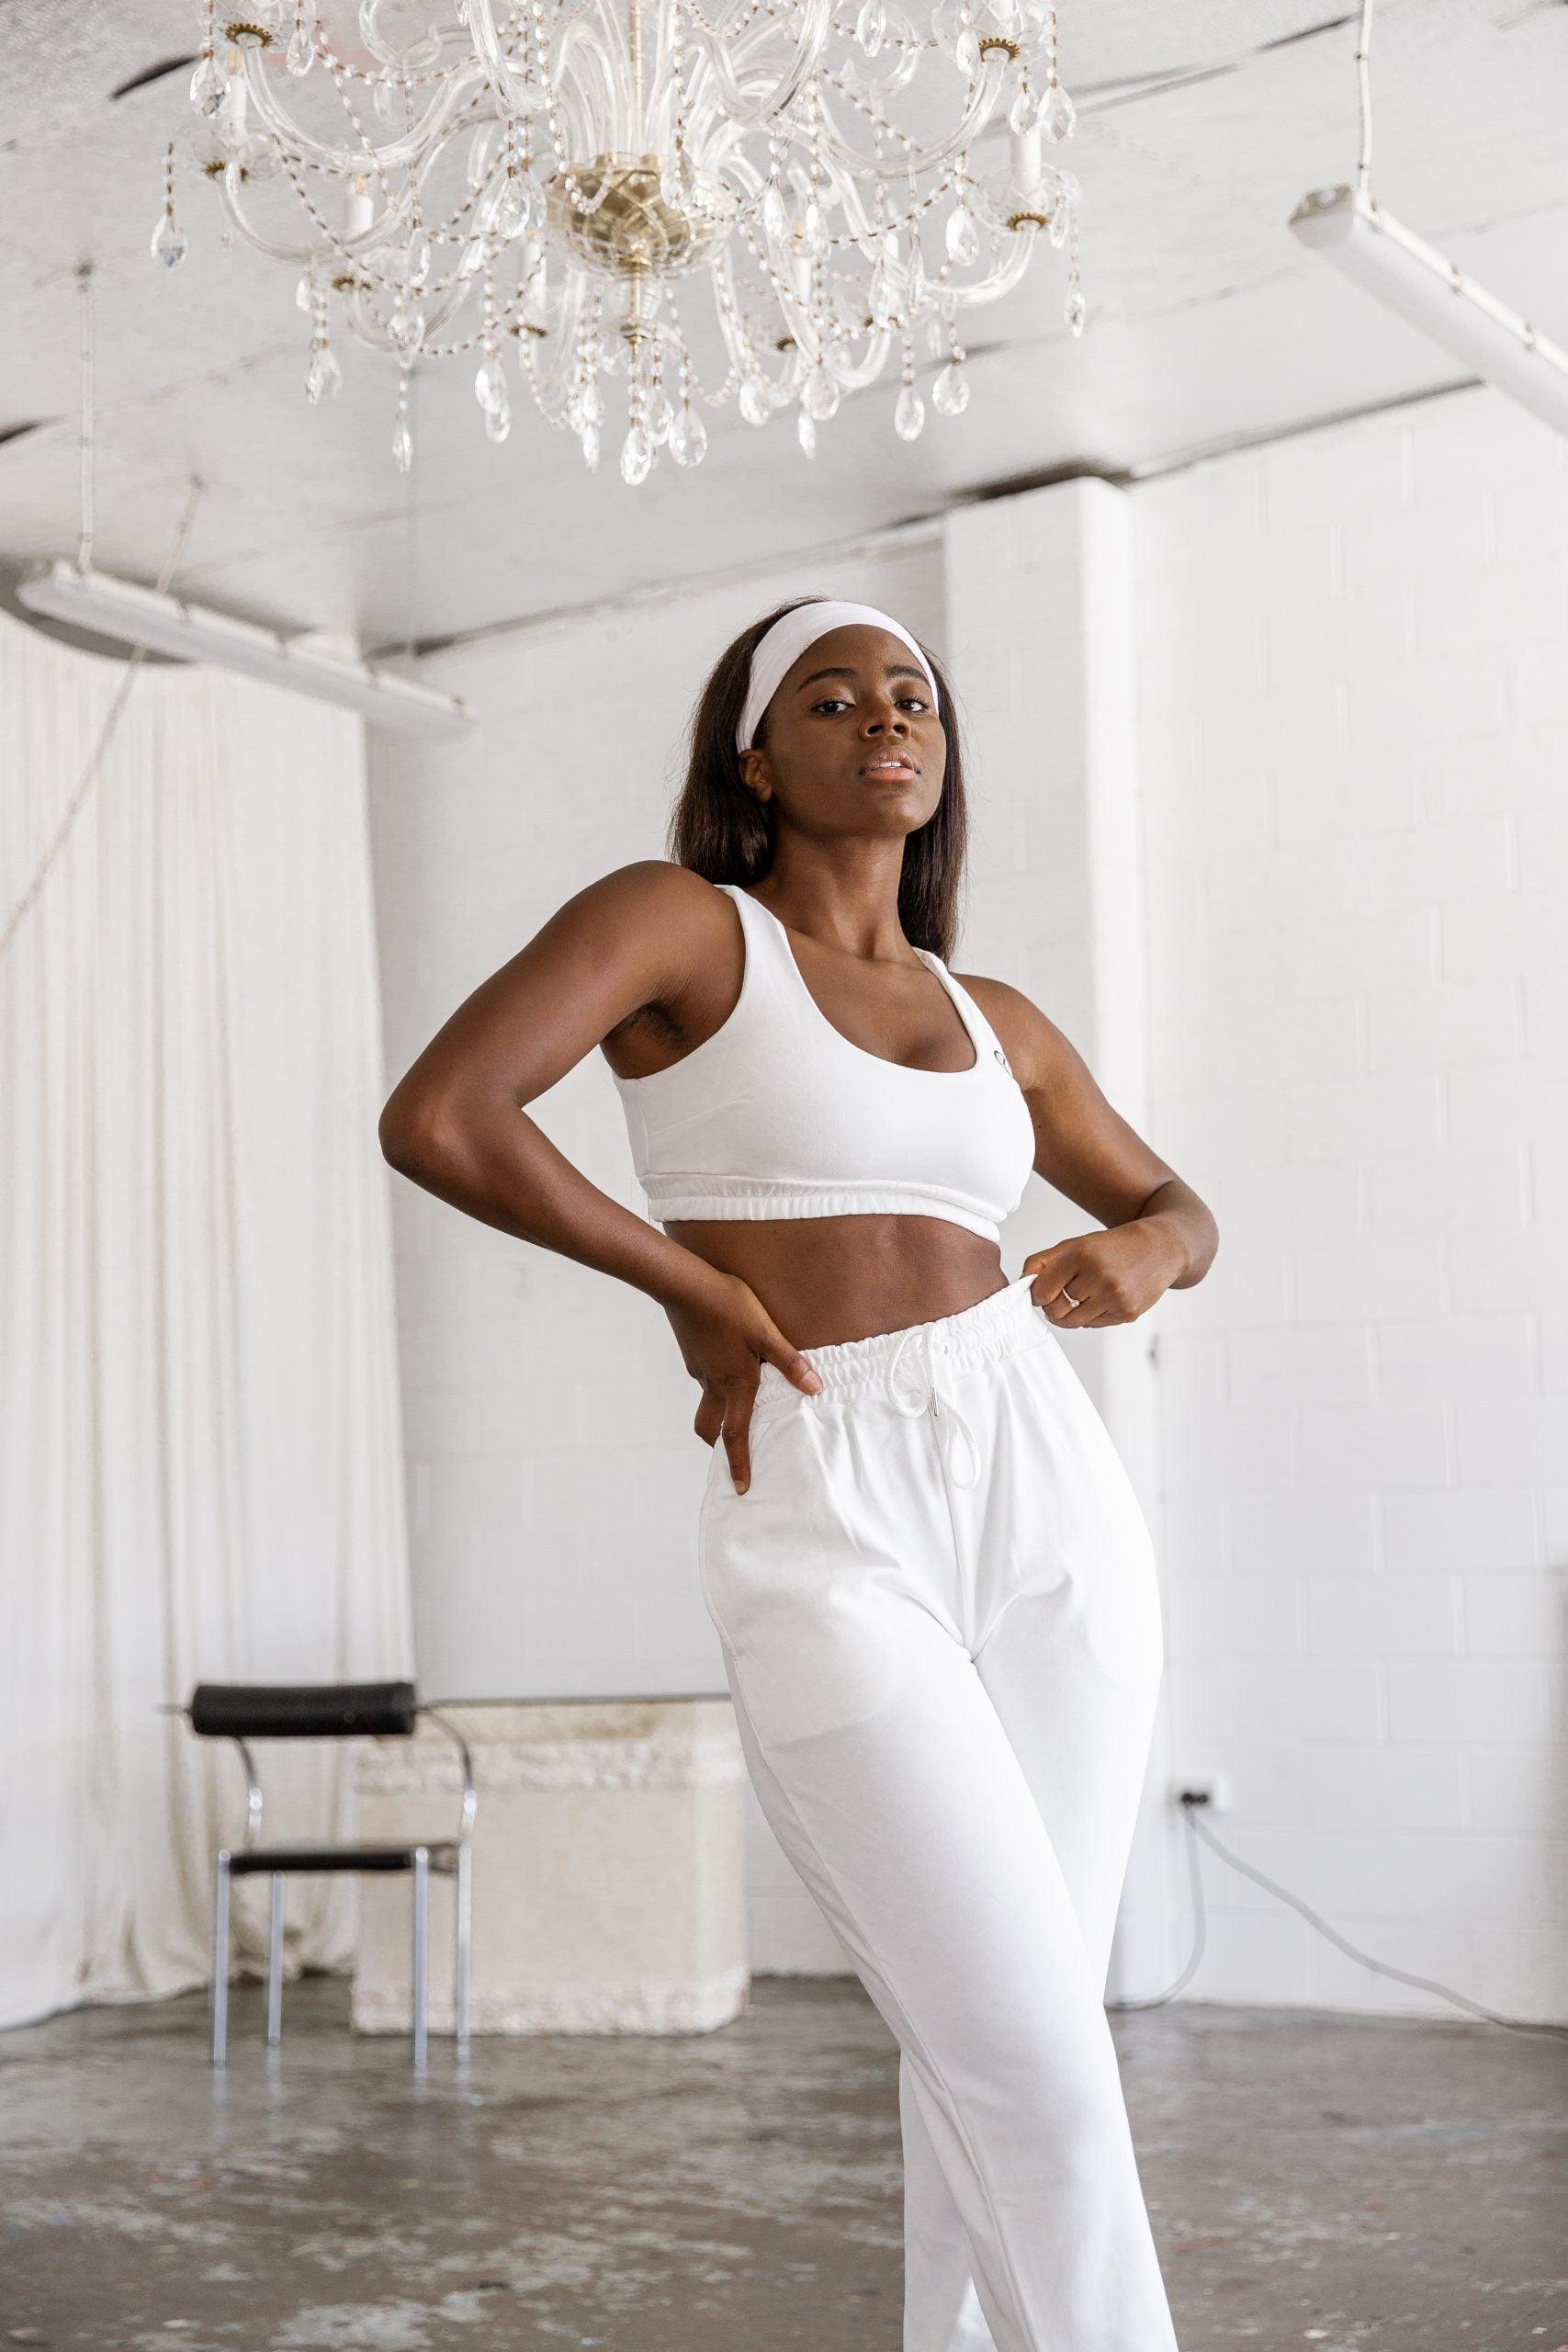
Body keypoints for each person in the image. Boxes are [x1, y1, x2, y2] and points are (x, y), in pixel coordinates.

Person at [378, 595, 1217, 2352]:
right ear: (755, 762)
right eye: (830, 700)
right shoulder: (681, 926)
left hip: (1043, 1481)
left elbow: (1176, 1206)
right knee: (1034, 2068)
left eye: (912, 695)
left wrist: (1149, 1253)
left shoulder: (997, 1016)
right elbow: (444, 1114)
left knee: (1002, 2050)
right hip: (828, 1497)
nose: (884, 718)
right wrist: (687, 1287)